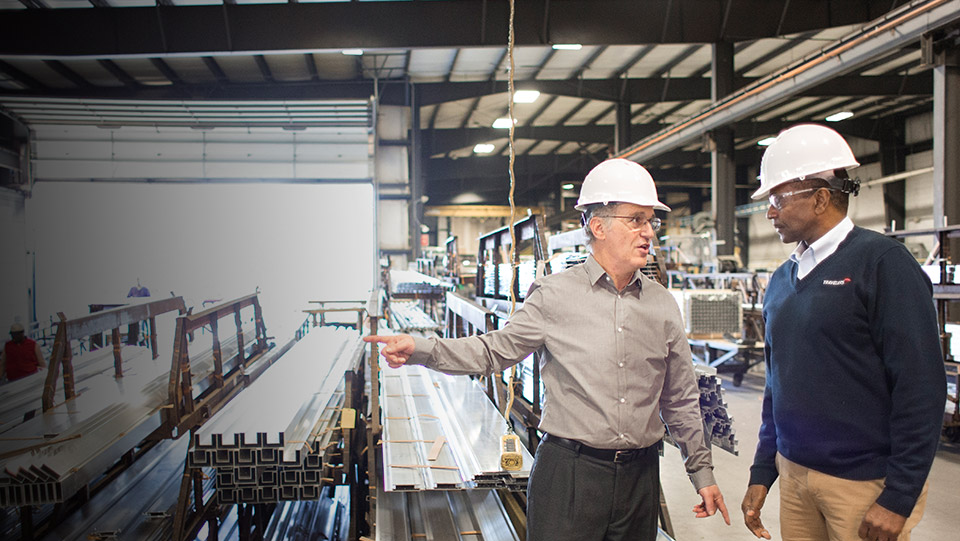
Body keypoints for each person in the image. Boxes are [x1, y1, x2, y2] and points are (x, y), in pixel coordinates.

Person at [366, 158, 731, 541]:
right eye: (636, 219)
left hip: (640, 478)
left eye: (651, 221)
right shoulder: (554, 295)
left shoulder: (662, 304)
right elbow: (493, 352)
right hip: (570, 474)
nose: (648, 233)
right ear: (598, 226)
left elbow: (680, 398)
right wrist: (421, 348)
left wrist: (701, 473)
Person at [741, 124, 946, 541]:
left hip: (864, 485)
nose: (770, 212)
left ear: (820, 198)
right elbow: (777, 385)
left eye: (778, 198)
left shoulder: (884, 264)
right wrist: (764, 469)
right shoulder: (782, 279)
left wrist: (899, 496)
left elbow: (921, 386)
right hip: (794, 474)